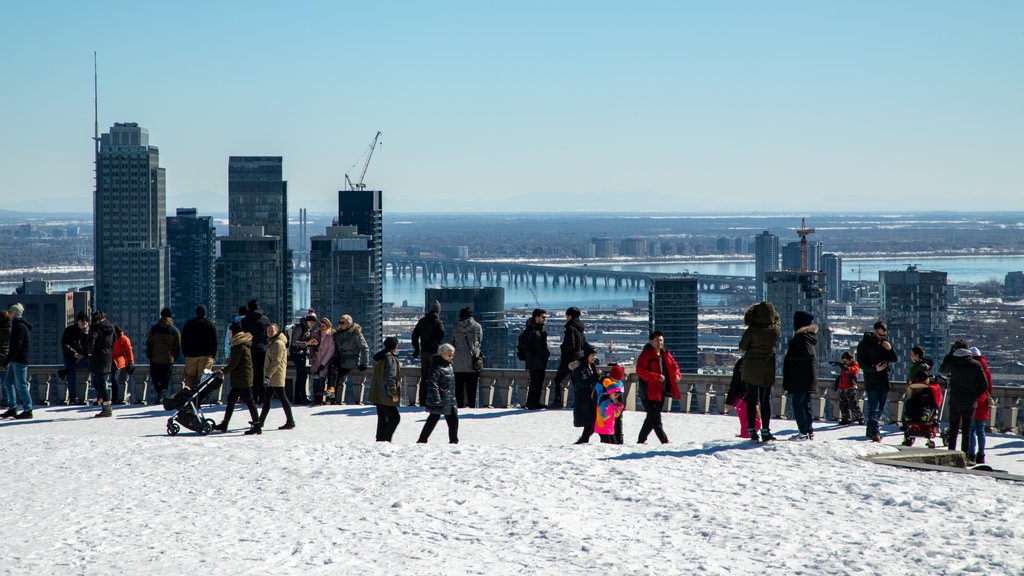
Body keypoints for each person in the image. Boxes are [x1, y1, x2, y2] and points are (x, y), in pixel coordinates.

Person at [739, 302, 781, 443]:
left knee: (751, 400)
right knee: (765, 401)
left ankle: (752, 431)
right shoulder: (775, 329)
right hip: (767, 368)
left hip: (751, 368)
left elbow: (742, 346)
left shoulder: (752, 330)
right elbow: (777, 321)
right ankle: (766, 431)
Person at [939, 340, 988, 460]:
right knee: (966, 429)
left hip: (955, 400)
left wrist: (950, 354)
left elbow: (942, 369)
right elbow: (984, 384)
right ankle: (964, 455)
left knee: (954, 428)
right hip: (969, 401)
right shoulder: (975, 364)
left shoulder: (953, 363)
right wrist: (975, 395)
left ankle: (951, 453)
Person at [213, 323, 261, 435]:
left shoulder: (239, 345)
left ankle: (257, 425)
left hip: (242, 378)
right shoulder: (241, 344)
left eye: (230, 332)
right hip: (242, 377)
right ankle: (225, 423)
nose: (229, 335)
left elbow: (234, 363)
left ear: (234, 333)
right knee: (232, 399)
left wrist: (222, 371)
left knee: (249, 401)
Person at [635, 330, 682, 444]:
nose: (659, 343)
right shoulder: (646, 354)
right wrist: (656, 376)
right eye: (656, 340)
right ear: (651, 342)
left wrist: (677, 374)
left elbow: (675, 365)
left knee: (652, 417)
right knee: (655, 417)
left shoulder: (665, 353)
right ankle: (664, 440)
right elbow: (640, 371)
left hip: (661, 391)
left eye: (661, 340)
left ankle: (641, 439)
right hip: (647, 391)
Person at [856, 320, 898, 443]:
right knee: (873, 407)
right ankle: (875, 431)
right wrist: (875, 368)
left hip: (884, 380)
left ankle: (870, 429)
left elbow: (894, 359)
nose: (882, 337)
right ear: (875, 331)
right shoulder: (864, 344)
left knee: (880, 408)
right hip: (872, 380)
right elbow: (862, 364)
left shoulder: (884, 343)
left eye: (884, 335)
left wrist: (890, 349)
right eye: (880, 335)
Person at [782, 311, 818, 441]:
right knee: (805, 404)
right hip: (806, 377)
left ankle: (803, 432)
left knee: (798, 404)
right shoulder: (808, 337)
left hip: (801, 378)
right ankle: (808, 431)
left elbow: (806, 355)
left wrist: (790, 358)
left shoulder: (802, 338)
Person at [417, 343, 459, 444]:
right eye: (449, 355)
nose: (451, 357)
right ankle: (422, 440)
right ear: (442, 354)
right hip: (440, 398)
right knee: (433, 419)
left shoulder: (449, 365)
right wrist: (436, 397)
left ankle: (454, 441)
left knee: (453, 420)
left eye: (453, 355)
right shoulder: (436, 366)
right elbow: (432, 382)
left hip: (449, 399)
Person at [257, 323, 295, 432]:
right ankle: (260, 421)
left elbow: (276, 361)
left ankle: (290, 421)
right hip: (272, 376)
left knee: (283, 399)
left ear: (277, 330)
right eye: (268, 330)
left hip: (275, 376)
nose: (270, 332)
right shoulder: (273, 342)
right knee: (267, 400)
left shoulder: (278, 343)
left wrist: (268, 375)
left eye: (272, 330)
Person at [548, 306, 586, 409]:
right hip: (578, 358)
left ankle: (558, 401)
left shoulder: (570, 327)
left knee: (558, 379)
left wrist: (562, 347)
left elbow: (570, 344)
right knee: (575, 381)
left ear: (569, 316)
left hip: (569, 359)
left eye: (567, 315)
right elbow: (583, 344)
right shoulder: (580, 328)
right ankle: (578, 402)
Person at [0, 304, 32, 420]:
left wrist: (8, 359)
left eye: (10, 312)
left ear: (14, 312)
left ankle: (28, 409)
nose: (9, 314)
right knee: (8, 383)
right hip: (16, 360)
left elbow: (16, 346)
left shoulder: (19, 326)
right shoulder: (17, 325)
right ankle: (12, 407)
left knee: (21, 385)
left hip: (19, 360)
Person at [411, 301, 445, 406]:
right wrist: (434, 344)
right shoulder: (438, 322)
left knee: (424, 377)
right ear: (438, 312)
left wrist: (416, 349)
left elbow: (414, 336)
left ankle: (422, 400)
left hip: (424, 352)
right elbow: (441, 335)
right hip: (434, 353)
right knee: (435, 377)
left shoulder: (422, 321)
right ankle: (434, 400)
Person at [369, 337, 403, 442]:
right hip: (386, 394)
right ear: (395, 347)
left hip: (378, 393)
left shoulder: (380, 357)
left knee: (382, 418)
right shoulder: (390, 359)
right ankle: (386, 440)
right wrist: (393, 393)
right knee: (395, 418)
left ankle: (380, 440)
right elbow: (390, 377)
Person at [330, 315, 370, 404]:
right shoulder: (338, 334)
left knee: (338, 376)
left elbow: (364, 348)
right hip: (340, 359)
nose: (340, 324)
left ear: (349, 323)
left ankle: (335, 399)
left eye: (342, 323)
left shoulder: (356, 333)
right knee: (331, 372)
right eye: (339, 322)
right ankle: (332, 397)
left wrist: (364, 363)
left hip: (351, 360)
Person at [570, 344, 603, 444]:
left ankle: (582, 441)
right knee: (591, 423)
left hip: (591, 399)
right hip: (584, 400)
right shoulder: (581, 368)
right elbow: (582, 382)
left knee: (591, 423)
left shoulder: (591, 366)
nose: (594, 358)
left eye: (595, 355)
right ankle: (583, 442)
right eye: (592, 355)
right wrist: (596, 376)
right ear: (587, 355)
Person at [146, 307, 181, 403]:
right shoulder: (174, 330)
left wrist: (150, 355)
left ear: (161, 316)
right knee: (165, 379)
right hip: (168, 359)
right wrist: (175, 357)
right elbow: (177, 346)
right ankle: (163, 393)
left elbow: (149, 343)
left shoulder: (154, 329)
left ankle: (160, 393)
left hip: (155, 358)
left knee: (156, 378)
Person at [181, 305, 218, 392]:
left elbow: (183, 340)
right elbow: (215, 342)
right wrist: (213, 355)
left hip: (191, 356)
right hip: (206, 356)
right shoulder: (210, 325)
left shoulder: (188, 324)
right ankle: (199, 399)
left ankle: (187, 397)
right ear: (205, 313)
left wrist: (185, 353)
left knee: (189, 378)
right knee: (203, 380)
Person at [518, 308, 550, 410]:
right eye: (543, 317)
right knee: (535, 382)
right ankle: (531, 403)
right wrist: (532, 356)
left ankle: (536, 402)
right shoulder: (530, 330)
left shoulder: (541, 329)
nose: (544, 319)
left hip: (541, 360)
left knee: (539, 382)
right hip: (534, 361)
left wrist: (545, 354)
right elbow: (523, 344)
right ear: (537, 318)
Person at [451, 307, 483, 408]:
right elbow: (479, 341)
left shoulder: (455, 327)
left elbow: (452, 343)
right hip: (472, 362)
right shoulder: (477, 326)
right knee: (472, 389)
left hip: (458, 363)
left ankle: (460, 407)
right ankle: (472, 407)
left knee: (459, 389)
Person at [240, 300, 271, 404]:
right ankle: (263, 397)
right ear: (258, 307)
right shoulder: (265, 320)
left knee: (251, 374)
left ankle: (253, 397)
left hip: (249, 350)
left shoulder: (244, 321)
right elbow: (268, 336)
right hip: (263, 350)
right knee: (262, 374)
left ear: (248, 308)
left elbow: (242, 337)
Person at [86, 311, 116, 418]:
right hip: (107, 357)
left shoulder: (97, 327)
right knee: (97, 381)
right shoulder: (111, 327)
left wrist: (89, 352)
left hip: (98, 358)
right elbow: (115, 340)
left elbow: (92, 340)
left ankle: (107, 406)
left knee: (101, 383)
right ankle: (104, 400)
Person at [968, 346, 994, 464]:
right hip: (983, 399)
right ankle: (981, 454)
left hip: (972, 399)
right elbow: (989, 386)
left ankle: (971, 454)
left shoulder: (971, 366)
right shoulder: (985, 368)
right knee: (981, 430)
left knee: (971, 430)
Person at [724, 358, 761, 438]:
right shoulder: (744, 362)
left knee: (754, 424)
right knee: (753, 425)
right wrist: (729, 401)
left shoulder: (752, 362)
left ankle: (744, 439)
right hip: (743, 398)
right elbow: (735, 382)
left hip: (748, 398)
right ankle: (744, 440)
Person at [59, 311, 90, 404]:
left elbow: (90, 346)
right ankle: (72, 398)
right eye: (82, 320)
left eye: (86, 321)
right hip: (70, 356)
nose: (84, 322)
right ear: (78, 321)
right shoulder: (69, 330)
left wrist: (83, 355)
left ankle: (66, 370)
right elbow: (65, 344)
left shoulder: (88, 332)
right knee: (71, 376)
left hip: (83, 357)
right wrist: (75, 354)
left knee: (91, 363)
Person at [288, 314, 318, 405]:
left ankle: (297, 398)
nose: (312, 324)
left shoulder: (308, 329)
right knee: (303, 374)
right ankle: (303, 398)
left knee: (300, 376)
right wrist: (307, 343)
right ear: (307, 321)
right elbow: (294, 342)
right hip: (296, 353)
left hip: (302, 354)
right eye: (311, 322)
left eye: (314, 322)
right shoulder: (299, 328)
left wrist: (312, 343)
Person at [308, 317, 336, 406]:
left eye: (324, 326)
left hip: (325, 363)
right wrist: (312, 354)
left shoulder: (331, 336)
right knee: (315, 380)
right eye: (320, 326)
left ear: (328, 326)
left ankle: (320, 399)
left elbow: (330, 351)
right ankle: (315, 398)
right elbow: (311, 347)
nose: (322, 328)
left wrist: (323, 364)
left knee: (321, 380)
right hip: (316, 361)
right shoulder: (316, 334)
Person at [835, 352, 863, 426]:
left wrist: (844, 367)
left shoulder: (854, 365)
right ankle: (846, 418)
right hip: (842, 388)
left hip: (850, 388)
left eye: (845, 361)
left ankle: (860, 418)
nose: (844, 363)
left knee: (853, 404)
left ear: (850, 359)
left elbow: (850, 371)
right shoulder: (844, 367)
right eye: (843, 361)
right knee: (843, 405)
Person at [109, 326, 135, 405]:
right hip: (109, 360)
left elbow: (128, 351)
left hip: (117, 361)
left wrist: (130, 363)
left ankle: (115, 398)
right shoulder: (109, 337)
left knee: (114, 378)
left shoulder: (123, 339)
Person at [595, 378, 625, 444]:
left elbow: (616, 415)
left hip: (610, 428)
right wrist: (614, 409)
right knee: (608, 445)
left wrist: (619, 409)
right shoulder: (604, 401)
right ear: (610, 393)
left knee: (613, 444)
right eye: (615, 394)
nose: (617, 396)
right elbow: (604, 416)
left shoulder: (612, 401)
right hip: (603, 428)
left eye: (618, 395)